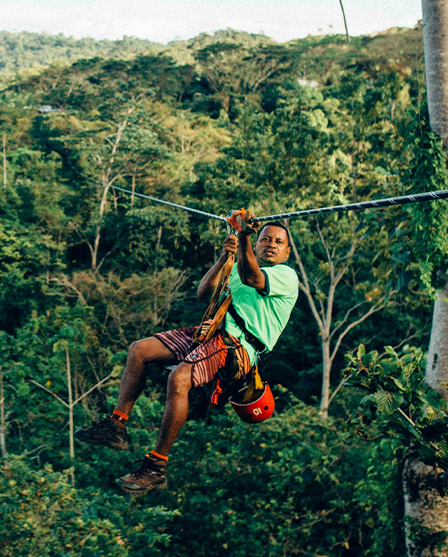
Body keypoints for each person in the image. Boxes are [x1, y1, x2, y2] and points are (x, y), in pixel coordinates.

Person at [75, 212, 299, 496]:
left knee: (179, 379)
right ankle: (116, 425)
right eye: (265, 238)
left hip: (237, 348)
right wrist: (224, 258)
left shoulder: (285, 276)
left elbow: (253, 276)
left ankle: (156, 467)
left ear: (287, 252)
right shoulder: (240, 265)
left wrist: (244, 235)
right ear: (256, 246)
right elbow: (204, 291)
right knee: (139, 350)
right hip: (209, 332)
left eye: (278, 242)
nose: (270, 244)